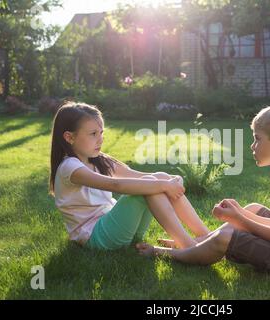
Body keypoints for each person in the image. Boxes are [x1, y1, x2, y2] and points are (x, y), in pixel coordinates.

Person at [137, 101, 270, 275]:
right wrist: (241, 213)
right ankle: (194, 244)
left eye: (257, 139)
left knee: (226, 238)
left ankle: (168, 253)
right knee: (251, 208)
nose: (252, 146)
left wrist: (238, 217)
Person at [49, 101, 210, 251]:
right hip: (96, 237)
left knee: (157, 178)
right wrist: (164, 185)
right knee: (150, 186)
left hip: (121, 230)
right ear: (69, 137)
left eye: (101, 132)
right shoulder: (70, 167)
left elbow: (135, 175)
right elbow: (115, 185)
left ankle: (205, 236)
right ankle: (189, 247)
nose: (100, 139)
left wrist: (168, 179)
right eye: (93, 134)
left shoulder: (99, 159)